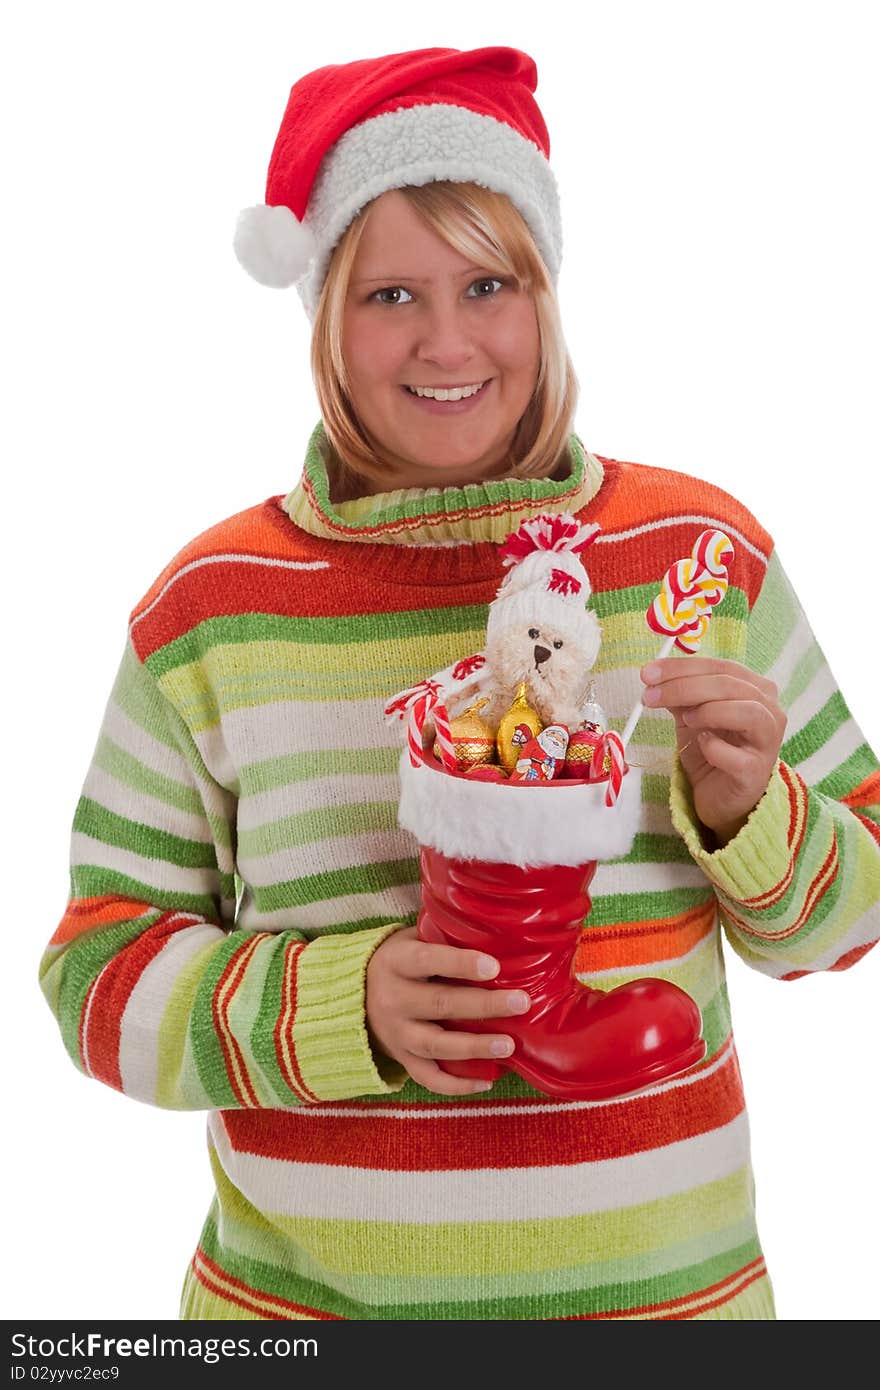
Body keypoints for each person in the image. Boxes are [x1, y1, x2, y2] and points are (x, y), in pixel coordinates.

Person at [39, 45, 880, 1321]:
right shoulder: (211, 610)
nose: (446, 340)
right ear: (323, 308)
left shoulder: (699, 560)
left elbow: (848, 921)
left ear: (545, 295)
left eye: (490, 282)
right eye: (388, 295)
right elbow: (95, 983)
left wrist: (750, 811)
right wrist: (337, 1006)